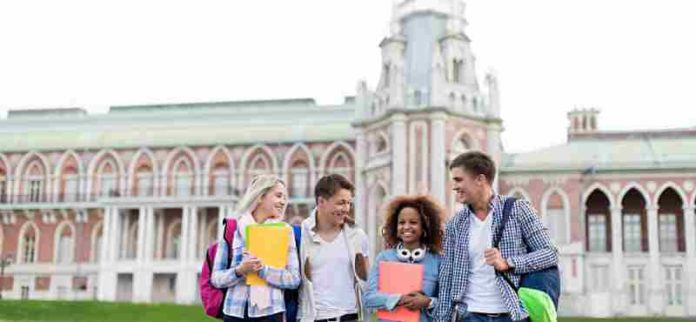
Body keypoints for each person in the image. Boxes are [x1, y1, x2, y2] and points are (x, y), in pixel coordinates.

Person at [435, 151, 558, 322]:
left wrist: (508, 263)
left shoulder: (518, 209)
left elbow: (550, 253)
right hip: (468, 315)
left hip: (511, 314)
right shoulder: (455, 224)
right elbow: (446, 277)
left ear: (480, 179)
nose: (454, 187)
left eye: (458, 180)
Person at [211, 174, 301, 322]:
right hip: (235, 312)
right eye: (278, 196)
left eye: (285, 197)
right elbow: (216, 278)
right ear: (260, 197)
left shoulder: (285, 231)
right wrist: (239, 271)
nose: (283, 202)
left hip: (271, 313)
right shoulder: (232, 229)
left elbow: (294, 279)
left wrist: (262, 270)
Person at [297, 174, 370, 322]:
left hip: (350, 317)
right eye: (341, 203)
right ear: (321, 201)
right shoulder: (301, 235)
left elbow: (367, 280)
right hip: (313, 318)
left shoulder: (357, 235)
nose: (346, 209)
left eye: (349, 203)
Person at [363, 195, 444, 322]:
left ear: (424, 228)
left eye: (413, 222)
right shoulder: (383, 258)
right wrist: (398, 299)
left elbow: (447, 303)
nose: (406, 227)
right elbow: (368, 298)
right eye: (401, 222)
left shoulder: (437, 261)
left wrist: (427, 302)